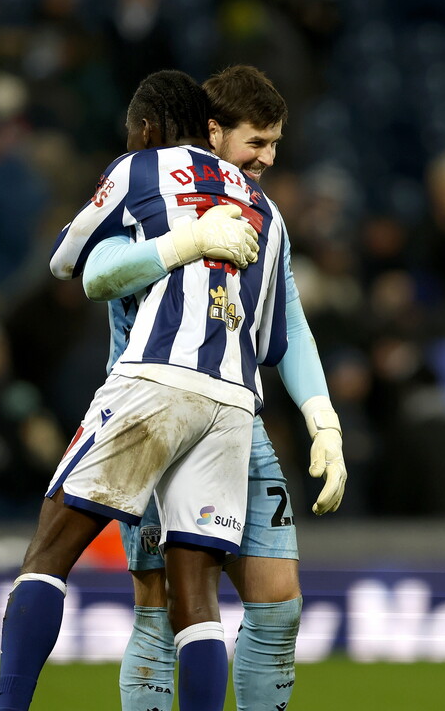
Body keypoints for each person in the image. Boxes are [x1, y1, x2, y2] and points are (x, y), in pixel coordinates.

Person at [51, 64, 347, 711]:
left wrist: (323, 420)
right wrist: (181, 242)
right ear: (213, 131)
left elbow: (288, 319)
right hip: (155, 406)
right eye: (257, 143)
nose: (268, 159)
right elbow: (91, 270)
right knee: (161, 609)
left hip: (238, 419)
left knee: (277, 605)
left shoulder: (262, 216)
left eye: (275, 146)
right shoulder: (155, 189)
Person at [0, 69, 291, 711]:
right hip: (236, 401)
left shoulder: (140, 167)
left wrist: (167, 242)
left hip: (157, 378)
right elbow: (270, 341)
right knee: (197, 600)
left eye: (132, 134)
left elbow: (67, 261)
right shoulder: (264, 206)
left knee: (48, 552)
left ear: (148, 129)